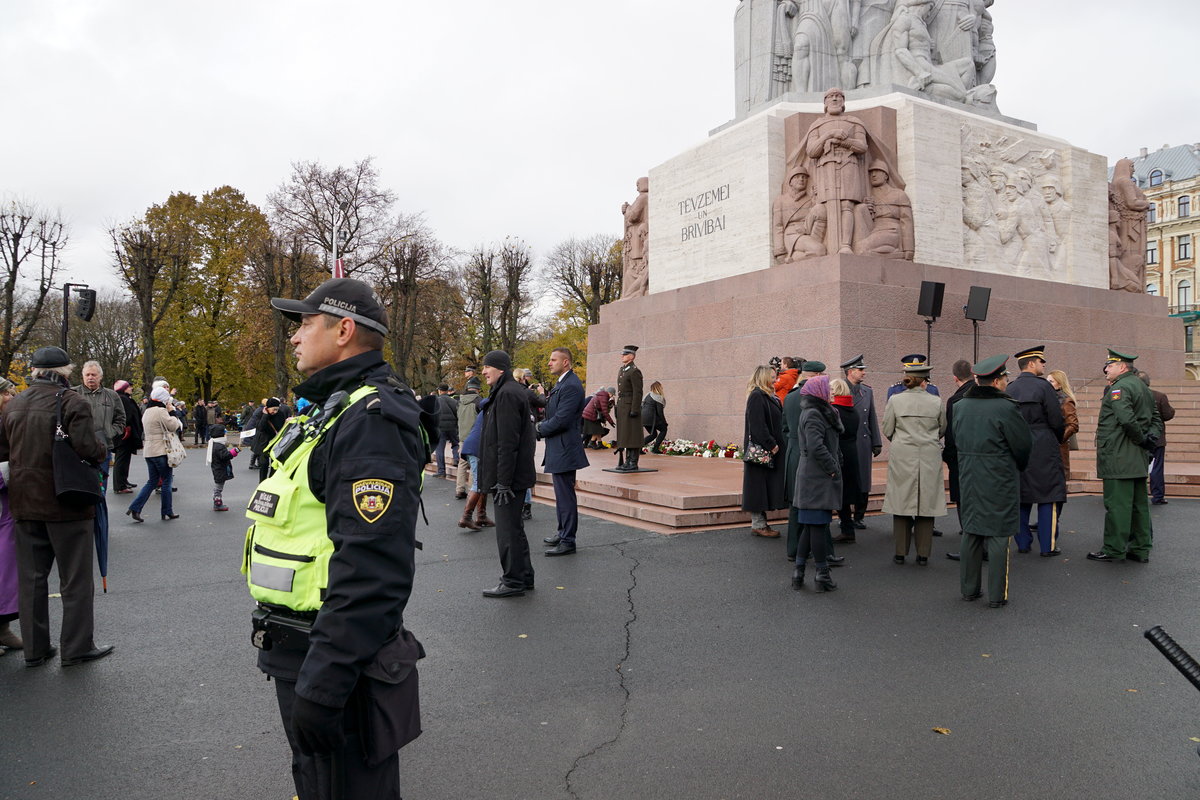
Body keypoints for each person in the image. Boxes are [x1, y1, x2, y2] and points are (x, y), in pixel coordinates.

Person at [244, 277, 426, 799]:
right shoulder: (334, 409)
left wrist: (325, 684)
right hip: (304, 647)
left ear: (344, 330)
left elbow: (373, 568)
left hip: (335, 661)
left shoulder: (369, 419)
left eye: (304, 323)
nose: (295, 337)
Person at [0, 346, 112, 667]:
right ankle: (76, 648)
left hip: (24, 502)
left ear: (33, 371)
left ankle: (35, 649)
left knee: (32, 579)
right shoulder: (72, 402)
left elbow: (4, 450)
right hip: (67, 502)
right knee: (75, 580)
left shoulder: (14, 404)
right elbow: (90, 448)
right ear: (65, 372)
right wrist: (103, 448)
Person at [953, 355, 1033, 608]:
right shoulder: (1007, 408)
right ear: (998, 381)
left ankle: (969, 589)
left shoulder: (960, 406)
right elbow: (1022, 445)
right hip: (999, 476)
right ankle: (997, 594)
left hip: (968, 475)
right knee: (999, 534)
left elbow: (956, 440)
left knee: (972, 531)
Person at [1088, 349, 1161, 563]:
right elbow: (1156, 418)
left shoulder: (1119, 388)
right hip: (1137, 457)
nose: (1105, 369)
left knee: (1117, 505)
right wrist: (1150, 439)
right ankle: (1140, 548)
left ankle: (1114, 549)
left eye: (1109, 365)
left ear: (1122, 367)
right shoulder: (1142, 387)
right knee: (1139, 506)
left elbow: (1126, 419)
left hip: (1119, 456)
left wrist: (1141, 438)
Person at [477, 350, 537, 597]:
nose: (483, 372)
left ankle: (513, 581)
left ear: (500, 368)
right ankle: (523, 576)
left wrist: (503, 482)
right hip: (512, 476)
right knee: (513, 527)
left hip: (509, 478)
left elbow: (507, 443)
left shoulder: (507, 394)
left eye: (487, 367)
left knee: (507, 531)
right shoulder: (508, 392)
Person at [881, 359, 947, 565]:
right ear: (924, 381)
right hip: (928, 456)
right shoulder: (936, 401)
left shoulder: (895, 400)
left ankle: (900, 552)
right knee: (926, 506)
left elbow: (887, 429)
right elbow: (942, 428)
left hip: (902, 456)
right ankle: (923, 554)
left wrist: (902, 441)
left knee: (901, 504)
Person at [1006, 346, 1066, 557]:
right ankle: (1047, 546)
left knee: (1021, 495)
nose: (1043, 365)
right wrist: (1056, 438)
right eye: (1041, 362)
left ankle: (1022, 543)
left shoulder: (1010, 388)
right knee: (1047, 495)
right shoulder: (1044, 388)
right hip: (1043, 444)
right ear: (1031, 363)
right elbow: (1057, 420)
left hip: (1017, 445)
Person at [791, 375, 843, 592]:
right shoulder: (814, 413)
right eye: (827, 389)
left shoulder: (815, 412)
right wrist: (832, 467)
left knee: (810, 527)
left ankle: (799, 572)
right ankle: (822, 574)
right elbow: (816, 446)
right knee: (818, 527)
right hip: (816, 477)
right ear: (818, 392)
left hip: (813, 477)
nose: (831, 392)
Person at [74, 361, 125, 578]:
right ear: (82, 376)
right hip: (78, 450)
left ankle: (98, 523)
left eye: (94, 374)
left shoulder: (111, 396)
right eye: (87, 374)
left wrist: (110, 433)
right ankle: (82, 523)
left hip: (103, 449)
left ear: (100, 377)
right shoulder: (73, 394)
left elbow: (121, 420)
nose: (90, 378)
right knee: (80, 487)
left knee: (100, 488)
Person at [537, 348, 589, 556]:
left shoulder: (571, 386)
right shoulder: (563, 383)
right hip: (559, 447)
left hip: (565, 449)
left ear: (565, 362)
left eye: (553, 360)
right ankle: (563, 532)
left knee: (565, 496)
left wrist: (538, 428)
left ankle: (568, 540)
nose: (549, 363)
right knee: (561, 495)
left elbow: (562, 419)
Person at [125, 386, 182, 523]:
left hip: (149, 450)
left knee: (152, 481)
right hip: (161, 450)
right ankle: (167, 511)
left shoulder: (147, 411)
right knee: (167, 481)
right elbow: (173, 426)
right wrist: (172, 411)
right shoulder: (161, 411)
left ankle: (135, 507)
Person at [742, 365, 787, 538]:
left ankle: (761, 523)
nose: (776, 380)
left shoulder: (768, 396)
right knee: (758, 487)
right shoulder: (757, 396)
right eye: (773, 377)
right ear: (763, 378)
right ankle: (759, 525)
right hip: (762, 450)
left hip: (768, 450)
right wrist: (772, 445)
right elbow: (757, 425)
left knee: (761, 486)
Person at [839, 354, 881, 534]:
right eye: (860, 370)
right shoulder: (840, 390)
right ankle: (846, 517)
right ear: (850, 372)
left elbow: (872, 417)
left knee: (864, 479)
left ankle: (859, 516)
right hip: (846, 442)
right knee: (848, 480)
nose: (864, 373)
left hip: (863, 441)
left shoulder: (867, 391)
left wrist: (876, 442)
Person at [0, 377, 22, 652]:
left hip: (8, 505)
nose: (10, 396)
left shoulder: (8, 420)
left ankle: (3, 627)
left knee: (7, 570)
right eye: (6, 393)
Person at [1046, 369, 1080, 526]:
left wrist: (1059, 438)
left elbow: (1073, 425)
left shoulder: (1065, 401)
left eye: (1051, 381)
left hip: (1059, 450)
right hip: (1047, 449)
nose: (1048, 384)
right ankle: (1046, 519)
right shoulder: (1047, 398)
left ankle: (1053, 519)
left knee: (1057, 487)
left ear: (1059, 384)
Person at [830, 378, 861, 545]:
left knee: (837, 491)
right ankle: (848, 529)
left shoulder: (834, 410)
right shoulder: (853, 410)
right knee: (846, 493)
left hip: (838, 453)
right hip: (852, 453)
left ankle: (845, 529)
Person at [1138, 371, 1176, 505]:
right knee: (1157, 468)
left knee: (1138, 467)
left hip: (1138, 438)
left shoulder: (1133, 396)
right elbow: (1168, 414)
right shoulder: (1159, 396)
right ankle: (1157, 496)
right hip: (1157, 439)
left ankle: (1137, 495)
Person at [457, 393, 494, 531]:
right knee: (479, 483)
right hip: (479, 448)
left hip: (474, 446)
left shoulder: (486, 408)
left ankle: (481, 516)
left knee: (482, 482)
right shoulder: (493, 409)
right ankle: (466, 517)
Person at [613, 345, 644, 472]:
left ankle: (632, 462)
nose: (622, 356)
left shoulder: (634, 371)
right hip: (623, 406)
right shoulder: (623, 370)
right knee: (625, 435)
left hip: (630, 405)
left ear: (631, 356)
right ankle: (626, 461)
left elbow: (638, 392)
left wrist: (635, 409)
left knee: (632, 435)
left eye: (625, 354)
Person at [112, 380, 143, 493]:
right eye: (129, 387)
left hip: (125, 434)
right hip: (124, 434)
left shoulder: (123, 398)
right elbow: (126, 416)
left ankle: (123, 481)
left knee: (125, 459)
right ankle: (120, 485)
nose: (131, 388)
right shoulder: (122, 399)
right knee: (121, 459)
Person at [454, 377, 483, 501]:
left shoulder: (459, 401)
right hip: (474, 437)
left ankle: (459, 489)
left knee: (462, 464)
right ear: (478, 389)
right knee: (473, 464)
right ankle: (473, 489)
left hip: (462, 436)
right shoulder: (478, 401)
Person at [254, 398, 287, 483]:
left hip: (275, 441)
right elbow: (260, 427)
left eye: (277, 409)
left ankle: (271, 482)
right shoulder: (260, 413)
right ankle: (262, 483)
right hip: (263, 442)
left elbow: (282, 427)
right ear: (267, 408)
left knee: (274, 465)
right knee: (264, 464)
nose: (275, 411)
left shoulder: (280, 414)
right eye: (273, 409)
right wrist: (265, 415)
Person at [206, 423, 238, 512]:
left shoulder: (215, 443)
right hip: (220, 469)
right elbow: (225, 456)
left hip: (217, 468)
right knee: (219, 487)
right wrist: (235, 451)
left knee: (219, 485)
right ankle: (217, 503)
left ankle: (217, 502)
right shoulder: (219, 446)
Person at [432, 383, 459, 478]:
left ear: (439, 390)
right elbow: (457, 412)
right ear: (447, 391)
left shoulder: (436, 401)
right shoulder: (453, 401)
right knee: (455, 444)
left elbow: (433, 414)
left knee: (440, 449)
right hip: (452, 426)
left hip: (440, 427)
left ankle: (441, 471)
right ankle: (456, 459)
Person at [641, 381, 669, 453]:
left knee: (653, 434)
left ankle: (638, 448)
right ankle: (655, 448)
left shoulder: (647, 395)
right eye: (661, 387)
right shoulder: (658, 397)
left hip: (643, 418)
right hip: (651, 418)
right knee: (664, 429)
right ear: (658, 388)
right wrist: (664, 422)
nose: (662, 388)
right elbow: (660, 412)